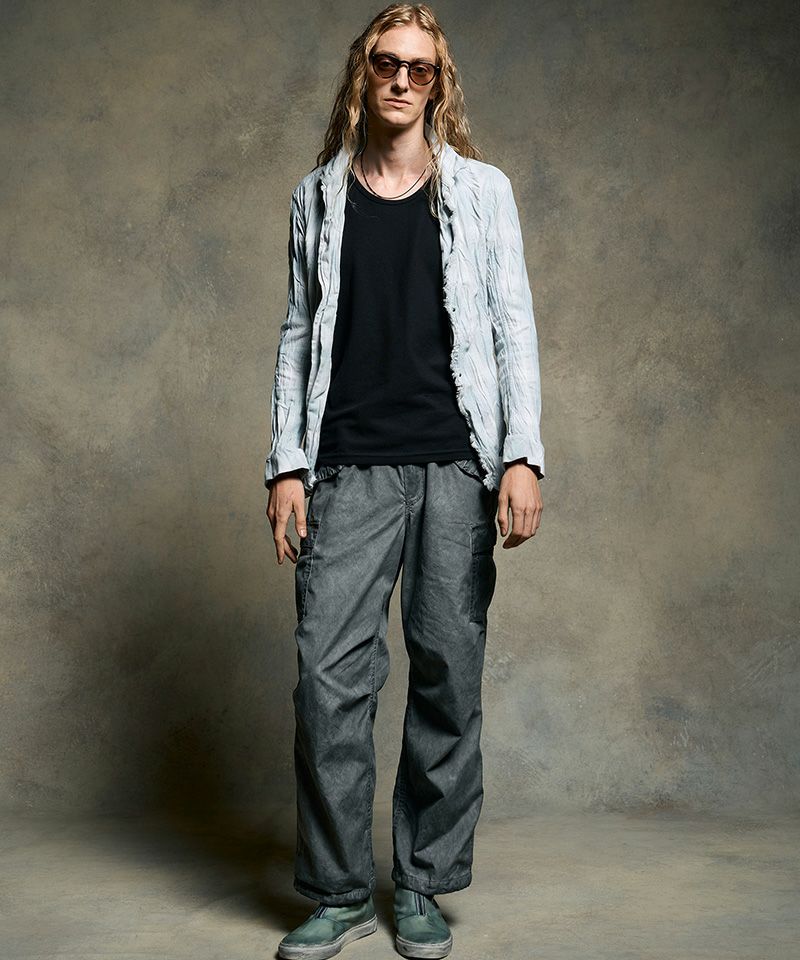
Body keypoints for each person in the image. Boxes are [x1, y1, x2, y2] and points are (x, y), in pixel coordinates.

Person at [265, 4, 545, 958]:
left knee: (447, 677)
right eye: (387, 63)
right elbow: (297, 333)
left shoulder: (483, 192)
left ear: (438, 85)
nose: (400, 81)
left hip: (456, 466)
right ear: (364, 72)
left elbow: (512, 326)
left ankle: (420, 882)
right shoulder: (316, 197)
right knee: (327, 682)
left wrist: (521, 454)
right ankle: (340, 891)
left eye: (420, 69)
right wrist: (287, 463)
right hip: (344, 466)